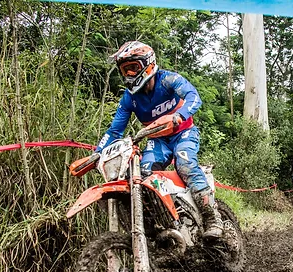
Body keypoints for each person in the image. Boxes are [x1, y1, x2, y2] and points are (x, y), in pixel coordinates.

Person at [95, 41, 222, 239]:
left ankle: (212, 217)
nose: (129, 75)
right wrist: (97, 152)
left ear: (148, 63)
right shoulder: (129, 98)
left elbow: (193, 96)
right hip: (157, 140)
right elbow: (114, 130)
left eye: (133, 68)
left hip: (183, 132)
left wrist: (179, 115)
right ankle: (161, 222)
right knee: (144, 174)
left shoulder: (168, 80)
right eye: (124, 70)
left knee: (185, 163)